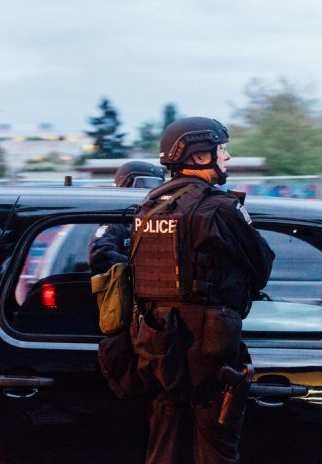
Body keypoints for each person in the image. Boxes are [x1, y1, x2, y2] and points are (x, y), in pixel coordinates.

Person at [131, 117, 275, 464]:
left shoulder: (150, 206)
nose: (226, 157)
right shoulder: (220, 209)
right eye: (221, 149)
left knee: (165, 448)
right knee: (216, 450)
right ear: (198, 156)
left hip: (158, 347)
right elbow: (262, 266)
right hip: (209, 352)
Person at [88, 160, 165, 275]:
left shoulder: (163, 219)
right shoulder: (117, 222)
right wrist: (141, 268)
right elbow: (100, 255)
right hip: (129, 288)